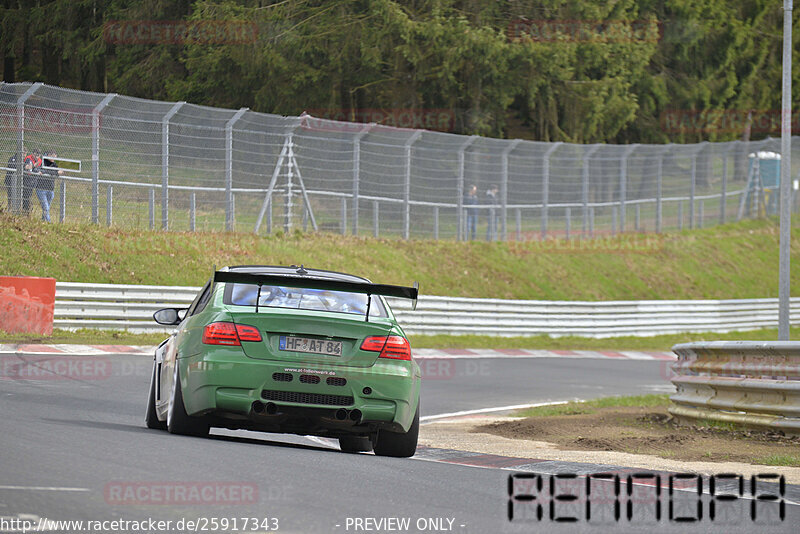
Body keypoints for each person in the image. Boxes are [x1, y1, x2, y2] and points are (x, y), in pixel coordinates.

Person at [37, 151, 63, 222]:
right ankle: (48, 222)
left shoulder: (55, 164)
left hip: (50, 189)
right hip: (41, 189)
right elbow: (44, 171)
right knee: (46, 208)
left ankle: (43, 221)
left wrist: (57, 173)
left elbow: (60, 171)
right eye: (52, 156)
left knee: (47, 207)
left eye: (55, 156)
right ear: (48, 155)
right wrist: (56, 173)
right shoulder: (43, 162)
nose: (54, 158)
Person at [22, 149, 42, 215]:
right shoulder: (28, 158)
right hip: (27, 180)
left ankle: (27, 210)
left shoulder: (40, 161)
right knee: (26, 196)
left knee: (29, 196)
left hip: (34, 181)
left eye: (38, 155)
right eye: (35, 155)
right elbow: (27, 167)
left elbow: (40, 169)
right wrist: (34, 165)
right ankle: (26, 210)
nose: (37, 157)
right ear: (32, 154)